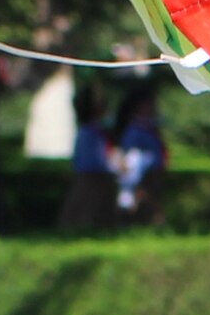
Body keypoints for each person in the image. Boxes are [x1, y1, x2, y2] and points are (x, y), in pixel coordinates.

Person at [56, 81, 119, 231]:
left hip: (91, 177)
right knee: (86, 216)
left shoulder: (92, 131)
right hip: (91, 179)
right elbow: (96, 160)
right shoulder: (90, 132)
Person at [114, 83, 167, 225]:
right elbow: (131, 156)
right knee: (143, 204)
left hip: (153, 172)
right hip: (142, 175)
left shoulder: (149, 126)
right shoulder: (135, 129)